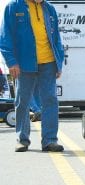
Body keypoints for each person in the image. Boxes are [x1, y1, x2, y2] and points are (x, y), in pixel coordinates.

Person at [0, 0, 64, 152]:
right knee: (22, 101)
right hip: (23, 64)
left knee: (50, 101)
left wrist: (58, 62)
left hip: (48, 62)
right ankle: (22, 140)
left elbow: (57, 38)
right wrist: (11, 62)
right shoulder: (13, 7)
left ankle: (49, 141)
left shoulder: (49, 8)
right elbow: (5, 37)